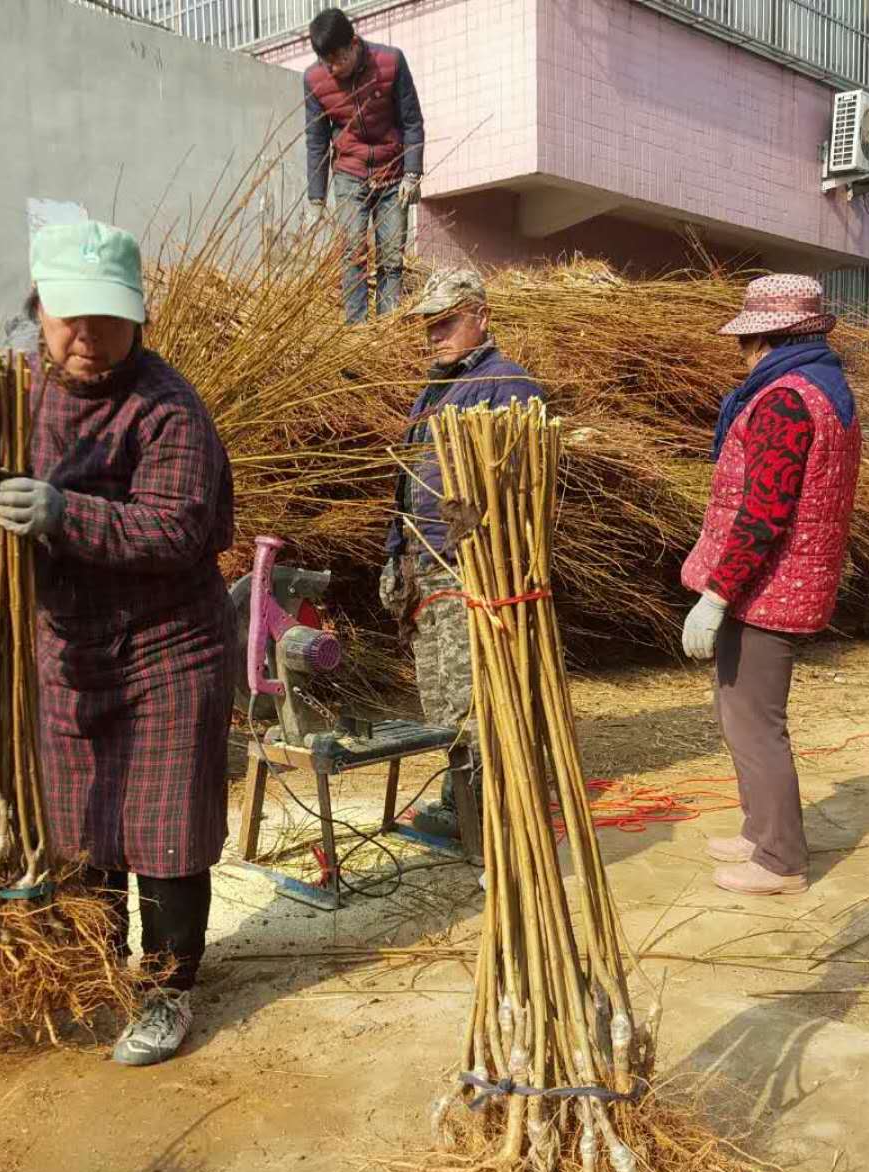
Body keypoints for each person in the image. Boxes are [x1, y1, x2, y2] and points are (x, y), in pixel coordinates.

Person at [0, 220, 238, 1065]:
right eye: (69, 316)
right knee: (84, 820)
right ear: (39, 309)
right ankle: (98, 972)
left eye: (107, 319)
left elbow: (177, 527)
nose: (87, 336)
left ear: (139, 319)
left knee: (167, 826)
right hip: (66, 644)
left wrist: (65, 513)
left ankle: (167, 991)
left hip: (167, 646)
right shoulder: (14, 391)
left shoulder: (168, 406)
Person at [680, 274, 861, 897]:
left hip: (771, 587)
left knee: (756, 723)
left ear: (768, 337)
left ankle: (781, 860)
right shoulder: (820, 386)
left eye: (747, 339)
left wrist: (717, 593)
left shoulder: (787, 398)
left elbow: (764, 511)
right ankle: (760, 829)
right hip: (776, 582)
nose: (742, 351)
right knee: (740, 714)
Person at [380, 269, 543, 838]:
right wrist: (394, 554)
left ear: (481, 316)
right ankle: (462, 800)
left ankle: (492, 810)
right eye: (430, 326)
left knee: (476, 694)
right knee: (443, 698)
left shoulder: (509, 387)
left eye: (447, 322)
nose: (436, 335)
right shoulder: (432, 390)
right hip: (425, 568)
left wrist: (484, 547)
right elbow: (408, 482)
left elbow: (522, 487)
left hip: (471, 568)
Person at [304, 8, 425, 325]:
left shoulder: (391, 62)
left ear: (354, 43)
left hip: (392, 173)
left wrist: (412, 174)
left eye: (338, 59)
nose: (332, 68)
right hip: (349, 174)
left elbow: (412, 122)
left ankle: (386, 329)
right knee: (352, 253)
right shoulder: (315, 80)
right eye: (325, 61)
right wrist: (316, 198)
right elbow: (317, 140)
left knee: (391, 256)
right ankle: (356, 330)